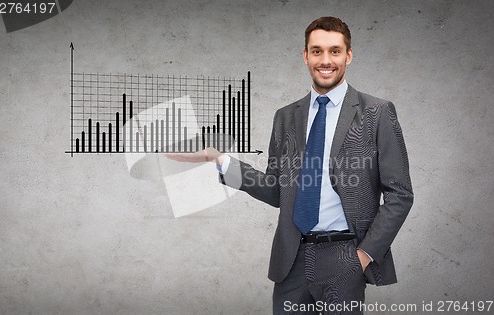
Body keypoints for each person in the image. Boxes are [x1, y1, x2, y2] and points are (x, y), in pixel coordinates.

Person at [167, 16, 413, 315]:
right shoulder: (286, 116)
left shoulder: (376, 112)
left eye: (335, 51)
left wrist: (363, 255)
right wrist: (220, 160)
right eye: (317, 51)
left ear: (349, 55)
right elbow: (276, 191)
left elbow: (400, 194)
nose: (326, 60)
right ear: (305, 55)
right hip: (291, 260)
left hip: (344, 256)